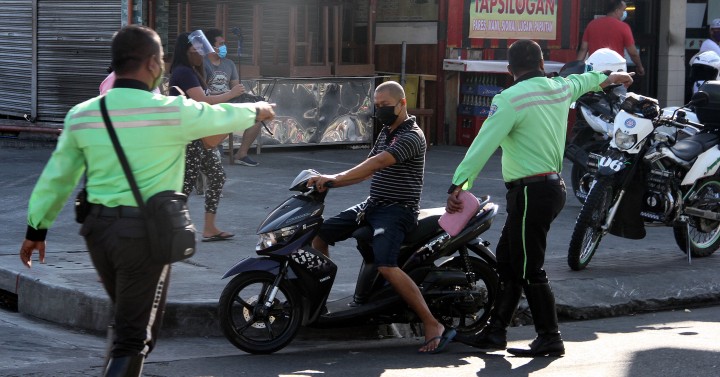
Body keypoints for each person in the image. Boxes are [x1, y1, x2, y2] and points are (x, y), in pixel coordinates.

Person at [18, 25, 274, 376]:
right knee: (134, 337)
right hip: (145, 235)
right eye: (162, 60)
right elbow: (225, 116)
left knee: (130, 322)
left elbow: (56, 179)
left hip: (97, 233)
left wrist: (37, 229)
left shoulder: (84, 114)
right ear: (153, 64)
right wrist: (260, 109)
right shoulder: (172, 111)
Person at [449, 40, 633, 357]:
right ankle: (495, 333)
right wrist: (616, 78)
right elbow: (591, 79)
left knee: (528, 267)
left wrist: (459, 184)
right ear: (543, 63)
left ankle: (550, 337)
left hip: (530, 193)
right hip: (549, 190)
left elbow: (483, 143)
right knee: (508, 261)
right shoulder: (561, 88)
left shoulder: (509, 99)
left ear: (510, 70)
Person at [306, 81, 455, 354]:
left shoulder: (412, 135)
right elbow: (366, 172)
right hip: (373, 205)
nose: (380, 111)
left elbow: (377, 163)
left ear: (402, 104)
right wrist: (328, 183)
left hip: (398, 211)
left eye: (385, 106)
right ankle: (319, 299)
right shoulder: (387, 131)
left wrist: (335, 177)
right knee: (320, 233)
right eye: (376, 106)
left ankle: (432, 323)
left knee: (387, 264)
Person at [169, 30, 245, 242]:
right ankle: (171, 229)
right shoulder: (183, 72)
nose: (201, 53)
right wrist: (230, 95)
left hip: (199, 134)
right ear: (187, 51)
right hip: (189, 137)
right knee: (185, 186)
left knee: (217, 176)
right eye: (196, 49)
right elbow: (202, 100)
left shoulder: (192, 71)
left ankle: (209, 227)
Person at [202, 28, 262, 167]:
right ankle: (210, 149)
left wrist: (242, 93)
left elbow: (235, 88)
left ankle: (241, 154)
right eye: (221, 43)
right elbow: (203, 94)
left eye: (224, 43)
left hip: (229, 103)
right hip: (211, 105)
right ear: (211, 46)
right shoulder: (203, 64)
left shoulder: (229, 64)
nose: (224, 47)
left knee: (257, 116)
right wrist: (228, 94)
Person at [576, 0, 645, 76]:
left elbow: (583, 49)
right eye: (623, 10)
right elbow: (633, 53)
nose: (624, 13)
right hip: (616, 71)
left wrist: (576, 68)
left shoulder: (592, 25)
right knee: (619, 87)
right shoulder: (623, 27)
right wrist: (640, 67)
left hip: (594, 72)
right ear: (617, 11)